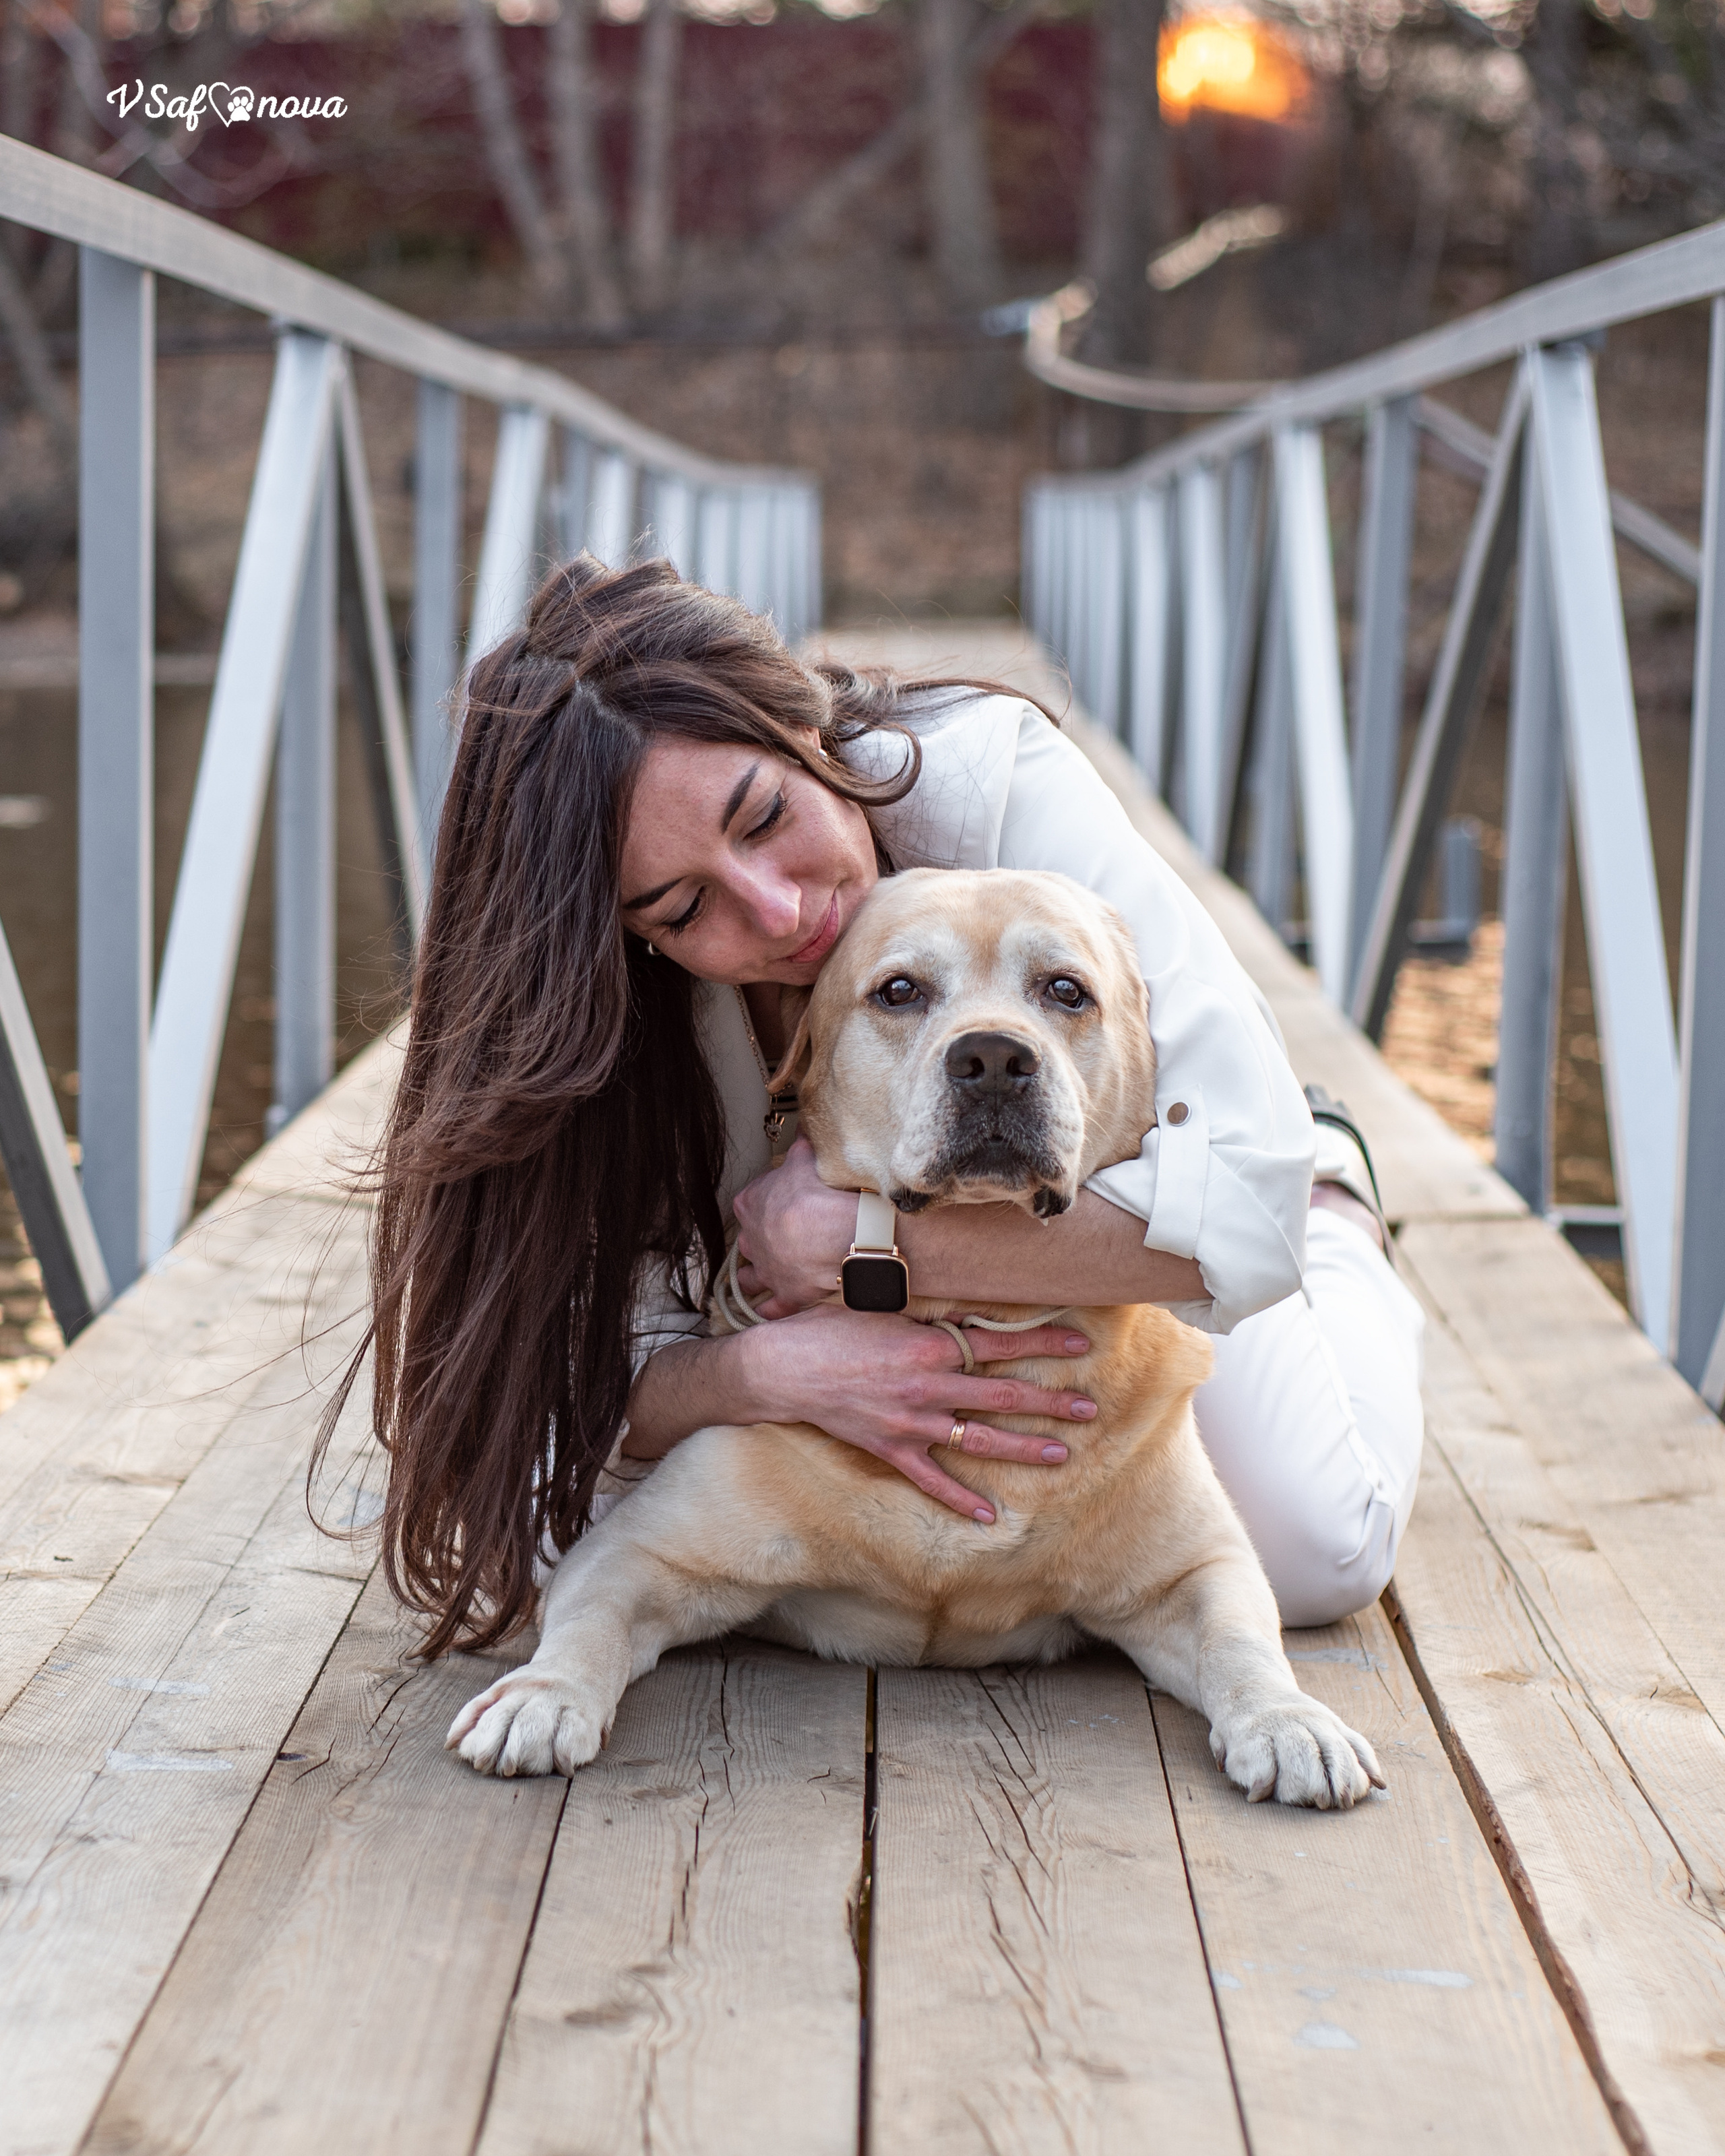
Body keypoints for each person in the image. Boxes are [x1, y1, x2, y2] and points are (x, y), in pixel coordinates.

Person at [338, 554, 1424, 1662]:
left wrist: (867, 1248)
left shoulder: (1006, 794)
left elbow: (1247, 1216)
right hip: (791, 1340)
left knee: (1317, 1547)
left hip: (1128, 1228)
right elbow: (532, 1444)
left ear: (802, 726)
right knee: (554, 1543)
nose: (777, 910)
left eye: (766, 818)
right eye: (683, 906)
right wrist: (750, 1375)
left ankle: (1348, 1204)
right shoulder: (603, 1014)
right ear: (627, 935)